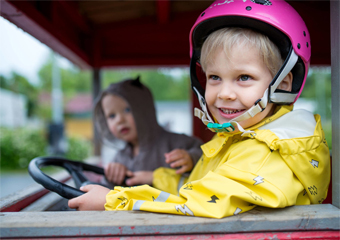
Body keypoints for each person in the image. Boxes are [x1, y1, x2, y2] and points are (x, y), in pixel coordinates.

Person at [68, 0, 330, 218]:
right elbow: (200, 185)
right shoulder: (238, 136)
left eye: (244, 78)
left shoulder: (267, 152)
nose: (224, 93)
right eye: (214, 77)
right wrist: (155, 177)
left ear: (283, 83)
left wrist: (114, 200)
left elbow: (198, 204)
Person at [93, 77, 203, 186]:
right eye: (112, 116)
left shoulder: (177, 143)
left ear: (146, 110)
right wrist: (111, 177)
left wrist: (191, 158)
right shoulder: (119, 158)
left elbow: (207, 155)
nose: (119, 120)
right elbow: (107, 192)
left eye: (127, 110)